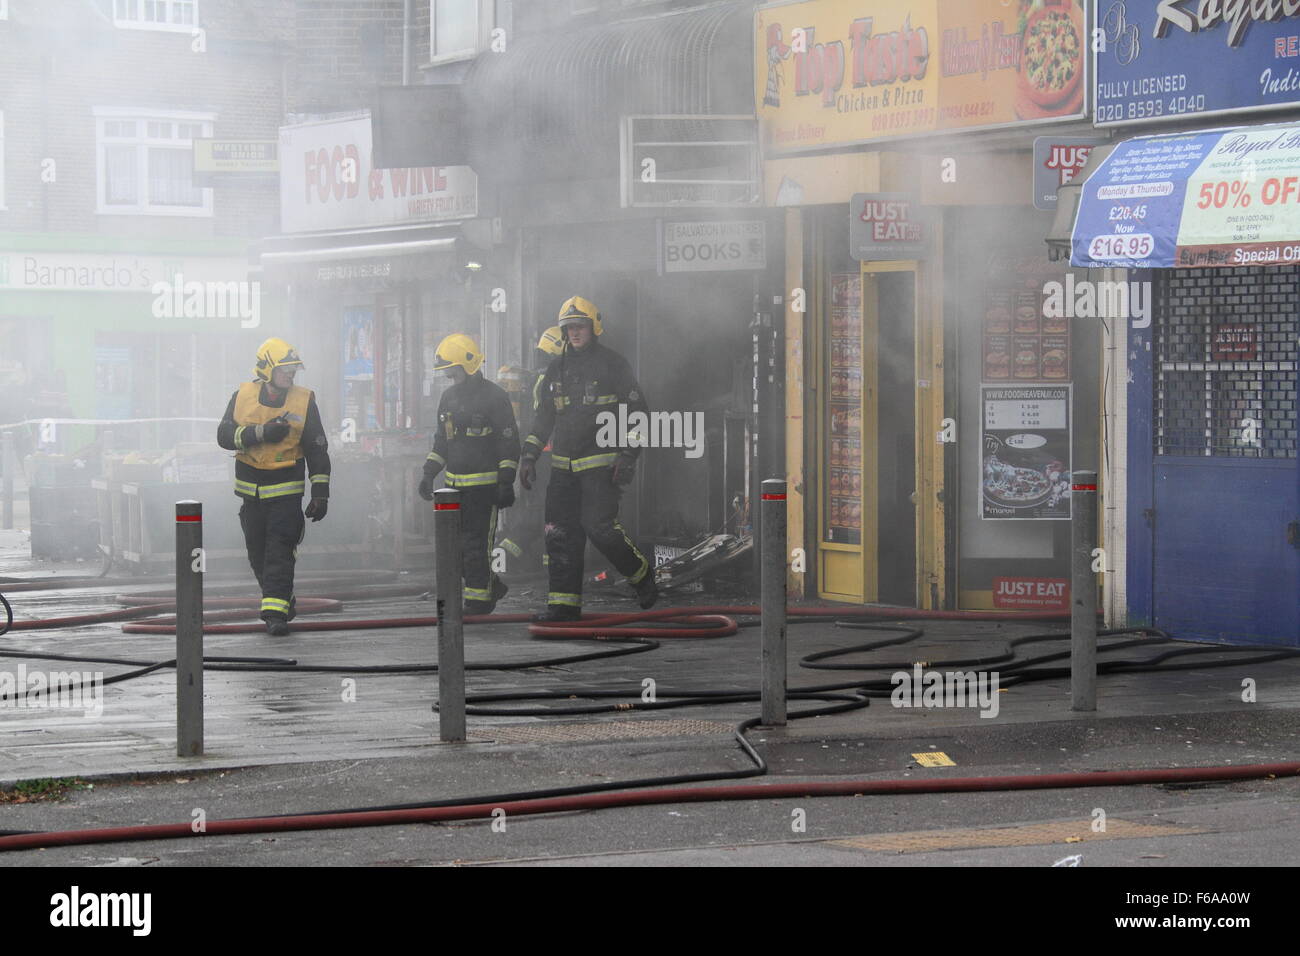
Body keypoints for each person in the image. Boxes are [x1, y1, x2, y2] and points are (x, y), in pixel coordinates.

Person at [520, 296, 657, 622]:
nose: (574, 333)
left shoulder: (613, 364)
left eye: (579, 326)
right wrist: (528, 456)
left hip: (600, 466)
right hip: (563, 471)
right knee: (558, 533)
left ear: (594, 327)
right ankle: (563, 606)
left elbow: (638, 412)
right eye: (568, 328)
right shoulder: (556, 368)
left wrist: (628, 454)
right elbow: (543, 419)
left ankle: (641, 576)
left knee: (599, 528)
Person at [216, 338, 330, 636]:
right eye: (285, 369)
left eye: (293, 369)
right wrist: (260, 432)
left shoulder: (304, 401)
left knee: (279, 550)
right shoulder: (241, 396)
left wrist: (320, 493)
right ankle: (282, 599)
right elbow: (225, 436)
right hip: (251, 495)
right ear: (266, 369)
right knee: (257, 553)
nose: (291, 375)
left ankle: (274, 615)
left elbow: (317, 449)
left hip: (286, 493)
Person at [418, 333, 520, 615]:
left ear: (468, 363)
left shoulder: (494, 397)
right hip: (453, 489)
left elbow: (508, 442)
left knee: (475, 546)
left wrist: (505, 482)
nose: (448, 374)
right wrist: (429, 473)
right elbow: (442, 441)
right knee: (454, 549)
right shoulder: (448, 398)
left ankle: (479, 601)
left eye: (452, 368)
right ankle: (491, 585)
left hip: (484, 490)